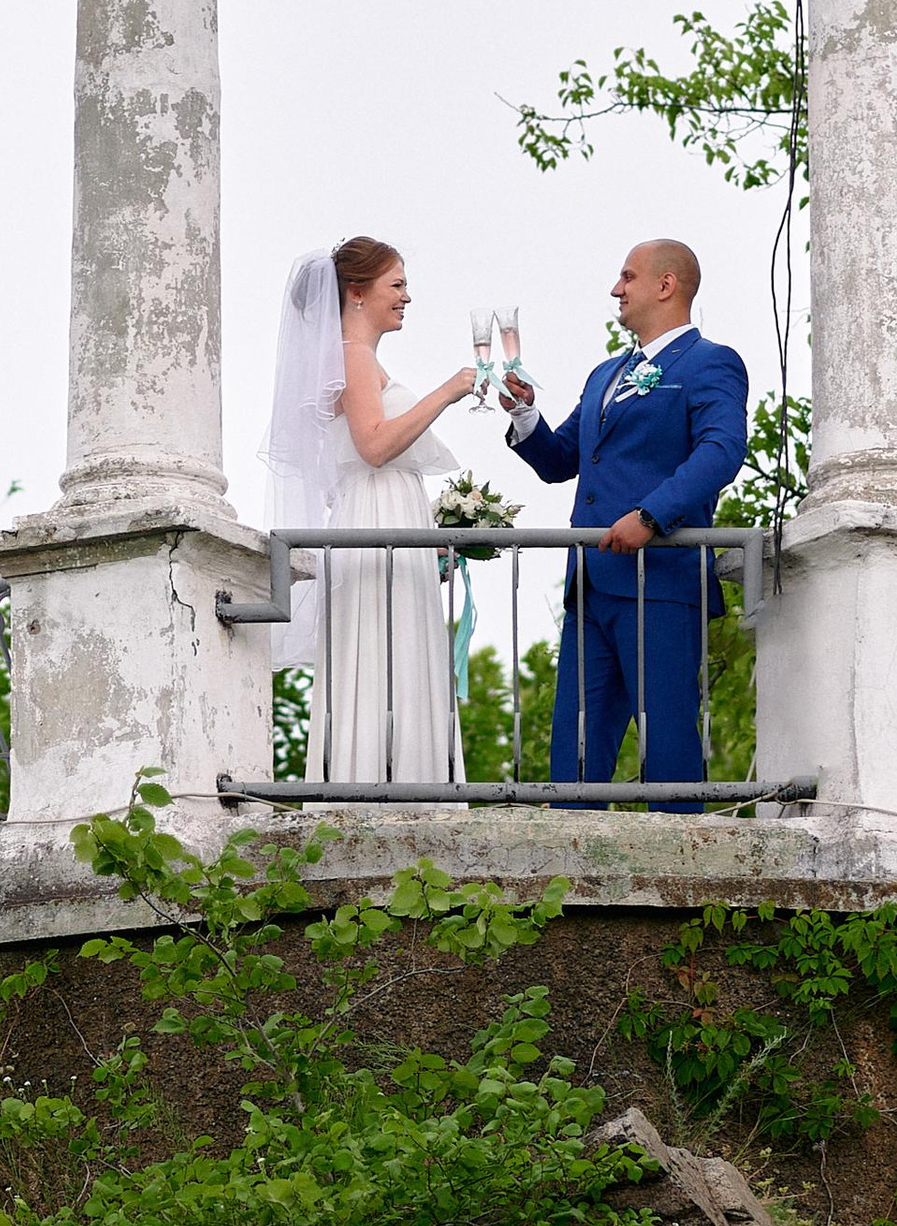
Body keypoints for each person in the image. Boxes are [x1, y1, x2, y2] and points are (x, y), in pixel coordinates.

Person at [500, 239, 749, 805]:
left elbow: (721, 451)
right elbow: (562, 460)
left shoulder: (711, 362)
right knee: (575, 746)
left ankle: (683, 869)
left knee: (666, 743)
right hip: (589, 585)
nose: (616, 289)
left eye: (628, 277)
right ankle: (566, 868)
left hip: (659, 579)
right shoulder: (605, 374)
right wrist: (525, 414)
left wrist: (651, 515)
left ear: (666, 285)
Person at [262, 240, 478, 787]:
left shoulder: (362, 359)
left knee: (403, 648)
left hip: (390, 509)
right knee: (384, 651)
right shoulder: (351, 356)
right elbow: (374, 446)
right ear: (357, 292)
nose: (408, 296)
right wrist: (447, 392)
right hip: (375, 512)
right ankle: (382, 783)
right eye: (397, 285)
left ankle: (407, 779)